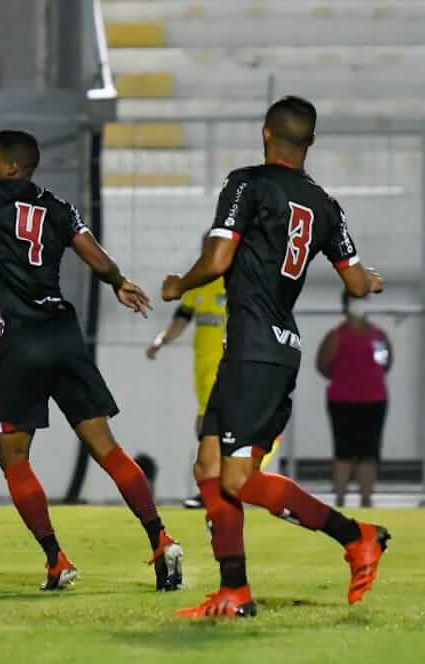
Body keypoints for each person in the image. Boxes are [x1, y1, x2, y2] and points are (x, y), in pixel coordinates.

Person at [162, 96, 389, 618]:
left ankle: (357, 535)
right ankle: (234, 591)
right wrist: (368, 279)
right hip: (270, 347)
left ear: (266, 134)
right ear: (309, 143)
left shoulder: (247, 183)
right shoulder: (326, 205)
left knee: (237, 479)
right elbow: (356, 280)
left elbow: (218, 259)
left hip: (255, 351)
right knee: (210, 467)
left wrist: (181, 282)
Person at [0, 130, 183, 592]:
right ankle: (161, 538)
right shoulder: (59, 207)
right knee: (106, 447)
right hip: (64, 334)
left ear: (11, 167)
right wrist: (119, 281)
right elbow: (93, 254)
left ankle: (55, 559)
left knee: (13, 456)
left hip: (22, 340)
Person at [146, 243, 226, 509]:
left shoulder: (236, 281)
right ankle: (218, 489)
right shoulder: (199, 284)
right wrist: (161, 340)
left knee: (210, 428)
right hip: (203, 368)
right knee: (206, 428)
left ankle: (215, 490)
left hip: (228, 368)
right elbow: (182, 318)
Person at [316, 291, 392, 508]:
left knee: (369, 452)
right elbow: (323, 364)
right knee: (344, 452)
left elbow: (385, 363)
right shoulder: (336, 336)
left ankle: (366, 499)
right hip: (343, 402)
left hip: (374, 401)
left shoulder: (379, 336)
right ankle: (340, 499)